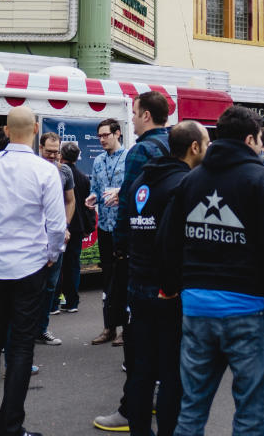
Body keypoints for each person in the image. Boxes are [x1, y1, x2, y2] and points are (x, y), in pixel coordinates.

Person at [159, 105, 264, 436]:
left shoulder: (191, 179)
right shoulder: (260, 179)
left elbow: (167, 240)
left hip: (196, 306)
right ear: (250, 139)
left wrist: (174, 286)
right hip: (249, 308)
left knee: (191, 407)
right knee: (252, 410)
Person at [0, 105, 65, 436]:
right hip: (30, 267)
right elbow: (56, 225)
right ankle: (12, 426)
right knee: (21, 347)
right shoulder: (45, 171)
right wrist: (51, 254)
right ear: (36, 129)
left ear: (6, 131)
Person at [119, 120, 208, 436]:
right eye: (207, 143)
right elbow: (177, 243)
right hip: (169, 290)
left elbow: (127, 231)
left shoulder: (141, 180)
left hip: (138, 284)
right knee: (172, 372)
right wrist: (172, 285)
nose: (208, 149)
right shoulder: (185, 184)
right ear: (194, 147)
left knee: (141, 370)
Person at [96, 93, 173, 431]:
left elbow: (135, 200)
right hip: (167, 256)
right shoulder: (173, 143)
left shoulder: (142, 149)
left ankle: (133, 409)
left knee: (137, 338)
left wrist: (121, 247)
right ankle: (159, 400)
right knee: (165, 340)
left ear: (144, 115)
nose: (132, 118)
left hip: (140, 255)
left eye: (133, 112)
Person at [87, 118, 128, 347]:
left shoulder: (129, 158)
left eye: (106, 135)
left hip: (123, 227)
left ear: (117, 134)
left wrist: (121, 194)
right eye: (99, 136)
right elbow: (95, 187)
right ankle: (109, 327)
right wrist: (92, 197)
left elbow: (133, 189)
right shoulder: (98, 161)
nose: (102, 139)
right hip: (104, 226)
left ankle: (125, 328)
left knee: (125, 279)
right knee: (108, 279)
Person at [36, 131, 74, 346]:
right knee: (32, 285)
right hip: (34, 237)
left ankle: (41, 330)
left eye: (56, 152)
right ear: (41, 148)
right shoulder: (32, 168)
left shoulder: (64, 170)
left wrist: (65, 226)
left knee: (50, 285)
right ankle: (25, 330)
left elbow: (70, 201)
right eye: (49, 151)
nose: (52, 155)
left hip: (56, 236)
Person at [59, 141, 90, 314]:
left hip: (62, 224)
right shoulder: (84, 178)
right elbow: (86, 206)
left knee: (57, 263)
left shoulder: (60, 173)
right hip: (77, 226)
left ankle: (55, 301)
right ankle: (72, 301)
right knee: (73, 264)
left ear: (61, 155)